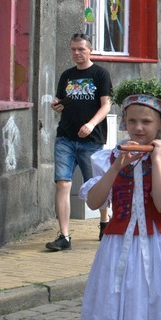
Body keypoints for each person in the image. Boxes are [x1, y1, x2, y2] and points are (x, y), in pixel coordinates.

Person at [77, 78, 161, 320]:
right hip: (117, 246)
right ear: (124, 123)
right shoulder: (107, 157)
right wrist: (116, 167)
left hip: (160, 246)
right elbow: (94, 203)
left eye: (146, 122)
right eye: (132, 122)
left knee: (160, 306)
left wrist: (155, 159)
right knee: (112, 306)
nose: (138, 128)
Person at [48, 33, 113, 250]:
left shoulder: (100, 74)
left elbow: (106, 105)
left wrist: (92, 124)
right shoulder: (67, 75)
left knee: (96, 184)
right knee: (63, 182)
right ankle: (64, 237)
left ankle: (104, 222)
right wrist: (57, 105)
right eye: (73, 49)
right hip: (65, 137)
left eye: (81, 49)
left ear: (90, 50)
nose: (77, 53)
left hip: (91, 140)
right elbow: (62, 101)